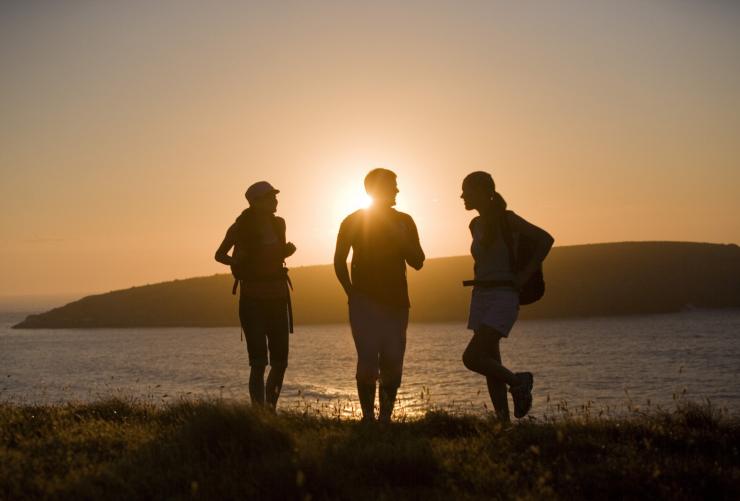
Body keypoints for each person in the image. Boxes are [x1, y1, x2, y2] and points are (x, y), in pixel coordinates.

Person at [460, 171, 554, 421]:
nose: (462, 196)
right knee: (491, 363)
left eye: (466, 191)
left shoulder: (508, 220)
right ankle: (503, 424)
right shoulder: (475, 225)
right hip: (481, 295)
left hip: (504, 295)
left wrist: (524, 275)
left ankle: (519, 381)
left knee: (472, 357)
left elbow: (546, 239)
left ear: (483, 192)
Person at [334, 169, 425, 422]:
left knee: (393, 360)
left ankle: (385, 418)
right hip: (364, 300)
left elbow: (418, 261)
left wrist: (401, 239)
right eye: (393, 185)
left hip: (397, 301)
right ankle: (368, 418)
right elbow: (339, 261)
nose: (397, 190)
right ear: (376, 189)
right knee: (367, 359)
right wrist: (351, 292)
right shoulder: (352, 221)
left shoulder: (405, 221)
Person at [215, 181, 296, 411]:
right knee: (259, 362)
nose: (276, 200)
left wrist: (286, 251)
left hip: (278, 298)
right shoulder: (240, 227)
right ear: (256, 202)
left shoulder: (279, 224)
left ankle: (269, 410)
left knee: (280, 362)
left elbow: (275, 256)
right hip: (252, 301)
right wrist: (236, 261)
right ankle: (259, 412)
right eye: (271, 197)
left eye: (275, 196)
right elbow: (219, 254)